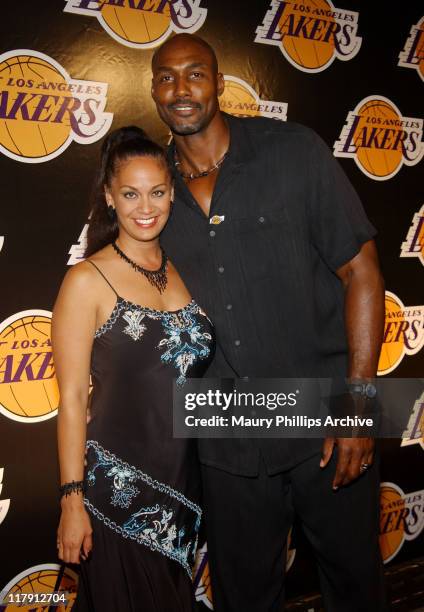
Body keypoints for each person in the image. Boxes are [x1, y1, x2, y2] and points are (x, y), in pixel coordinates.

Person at [151, 34, 388, 611]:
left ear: (220, 82)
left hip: (324, 415)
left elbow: (362, 272)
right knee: (244, 597)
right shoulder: (150, 195)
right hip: (226, 434)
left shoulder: (293, 153)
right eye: (166, 77)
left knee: (356, 586)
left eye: (195, 74)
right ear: (153, 90)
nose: (181, 90)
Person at [53, 127, 215, 611]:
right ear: (109, 197)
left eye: (157, 192)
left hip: (186, 494)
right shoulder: (87, 280)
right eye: (130, 193)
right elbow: (72, 400)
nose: (145, 207)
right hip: (115, 498)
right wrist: (71, 499)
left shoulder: (189, 269)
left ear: (171, 194)